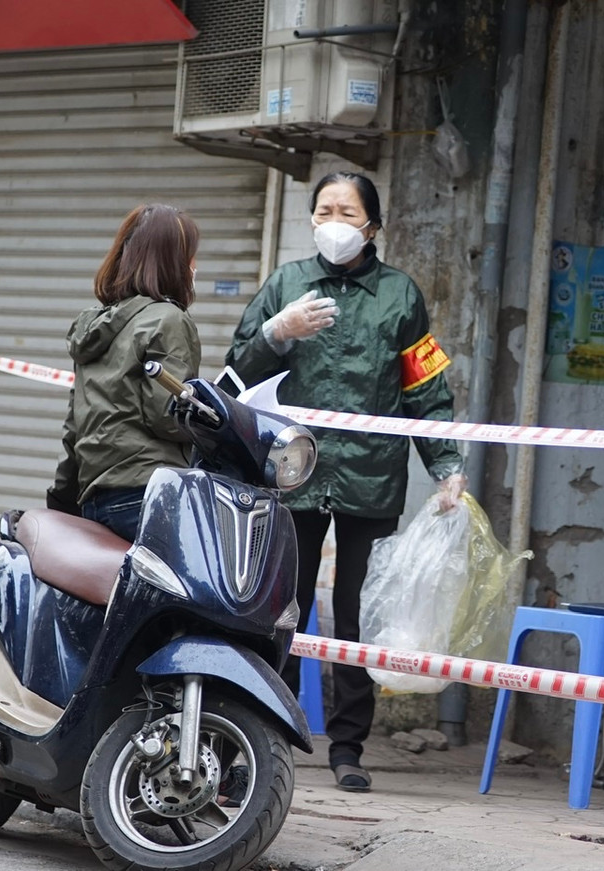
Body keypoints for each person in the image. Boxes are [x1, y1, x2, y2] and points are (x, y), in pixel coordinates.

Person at [226, 172, 466, 793]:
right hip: (292, 469)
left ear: (372, 227)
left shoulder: (401, 296)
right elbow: (236, 370)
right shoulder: (286, 284)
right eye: (324, 209)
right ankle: (258, 731)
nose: (334, 220)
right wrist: (279, 332)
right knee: (281, 607)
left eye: (347, 211)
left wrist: (445, 464)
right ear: (311, 219)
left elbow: (426, 389)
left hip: (371, 473)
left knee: (359, 613)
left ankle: (348, 747)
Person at [46, 203, 201, 541]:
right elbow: (168, 416)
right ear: (173, 262)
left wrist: (60, 499)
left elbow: (75, 426)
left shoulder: (95, 325)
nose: (195, 266)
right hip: (149, 494)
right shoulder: (168, 319)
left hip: (95, 500)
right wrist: (212, 415)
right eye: (190, 256)